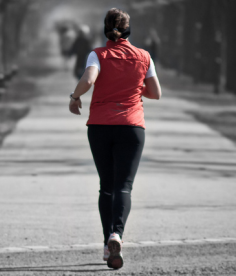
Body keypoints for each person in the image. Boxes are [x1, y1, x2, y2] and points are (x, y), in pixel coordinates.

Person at [68, 8, 161, 269]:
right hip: (132, 127)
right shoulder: (144, 56)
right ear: (129, 30)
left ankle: (107, 246)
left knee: (106, 186)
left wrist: (75, 98)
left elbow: (88, 79)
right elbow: (155, 93)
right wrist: (131, 84)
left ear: (104, 29)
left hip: (100, 126)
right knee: (123, 186)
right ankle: (116, 235)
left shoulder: (97, 54)